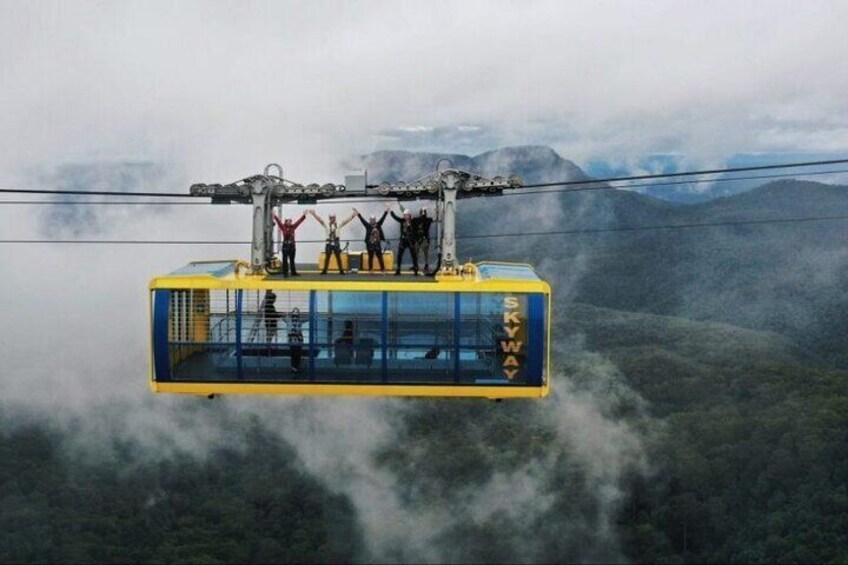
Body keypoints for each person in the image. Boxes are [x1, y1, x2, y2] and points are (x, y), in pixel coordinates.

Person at [309, 209, 356, 275]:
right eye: (331, 218)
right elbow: (320, 220)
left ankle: (341, 270)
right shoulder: (326, 225)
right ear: (329, 218)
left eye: (333, 218)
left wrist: (352, 216)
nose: (332, 219)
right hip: (329, 244)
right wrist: (314, 214)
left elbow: (345, 221)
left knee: (338, 258)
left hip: (336, 243)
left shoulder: (338, 225)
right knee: (327, 258)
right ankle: (324, 270)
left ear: (335, 218)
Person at [272, 211, 306, 277]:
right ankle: (285, 273)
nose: (289, 222)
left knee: (292, 260)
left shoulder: (293, 227)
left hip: (292, 246)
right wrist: (275, 216)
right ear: (286, 221)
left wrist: (303, 215)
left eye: (290, 221)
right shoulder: (283, 227)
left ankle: (293, 272)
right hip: (285, 246)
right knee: (285, 260)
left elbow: (299, 222)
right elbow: (279, 222)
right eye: (288, 221)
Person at [353, 207, 388, 272]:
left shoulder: (378, 225)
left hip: (377, 243)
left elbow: (383, 218)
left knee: (380, 257)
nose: (372, 220)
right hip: (370, 244)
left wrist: (386, 211)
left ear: (375, 220)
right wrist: (358, 213)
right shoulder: (368, 225)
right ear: (370, 220)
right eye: (371, 219)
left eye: (373, 219)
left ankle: (382, 269)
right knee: (370, 257)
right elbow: (362, 220)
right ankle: (370, 269)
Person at [388, 204, 419, 275]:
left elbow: (414, 230)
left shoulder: (413, 222)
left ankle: (416, 268)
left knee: (414, 255)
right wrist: (391, 211)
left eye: (407, 215)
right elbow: (395, 217)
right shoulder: (402, 221)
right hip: (403, 240)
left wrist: (409, 226)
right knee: (399, 255)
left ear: (409, 215)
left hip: (411, 240)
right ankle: (398, 269)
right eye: (404, 215)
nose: (405, 216)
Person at [413, 206, 434, 273]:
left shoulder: (427, 220)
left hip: (424, 239)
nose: (422, 214)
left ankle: (425, 265)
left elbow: (435, 218)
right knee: (417, 253)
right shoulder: (416, 220)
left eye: (423, 212)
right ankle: (416, 265)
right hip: (418, 239)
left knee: (425, 253)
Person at [286, 307, 304, 373]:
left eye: (297, 312)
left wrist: (296, 332)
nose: (295, 313)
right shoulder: (289, 321)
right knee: (293, 354)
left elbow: (299, 331)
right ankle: (294, 367)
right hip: (292, 340)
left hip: (298, 340)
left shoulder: (299, 321)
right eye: (294, 311)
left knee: (298, 354)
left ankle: (295, 367)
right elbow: (289, 330)